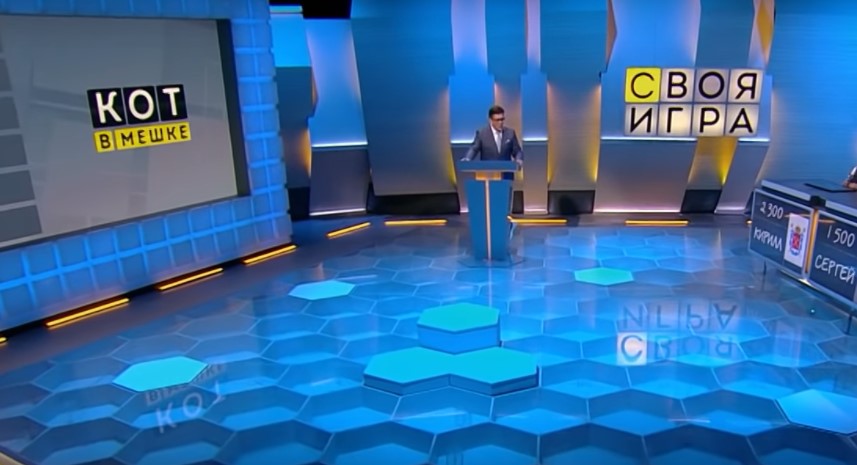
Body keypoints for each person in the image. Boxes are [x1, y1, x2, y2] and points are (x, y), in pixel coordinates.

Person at [460, 105, 523, 180]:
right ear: (490, 120)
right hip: (487, 176)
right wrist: (467, 158)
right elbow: (474, 148)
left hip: (506, 177)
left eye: (502, 119)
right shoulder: (482, 133)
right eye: (497, 120)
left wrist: (518, 159)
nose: (500, 122)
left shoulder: (510, 133)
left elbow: (517, 151)